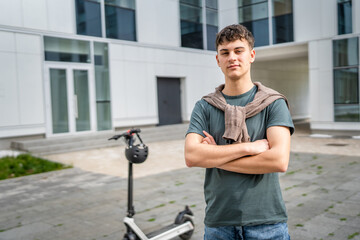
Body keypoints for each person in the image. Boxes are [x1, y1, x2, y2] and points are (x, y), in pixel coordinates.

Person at [184, 24, 294, 239]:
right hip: (219, 222)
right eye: (224, 53)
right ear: (218, 60)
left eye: (238, 50)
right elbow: (191, 156)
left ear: (251, 55)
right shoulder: (205, 106)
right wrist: (248, 147)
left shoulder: (273, 103)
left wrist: (214, 157)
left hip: (267, 222)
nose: (231, 57)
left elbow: (278, 161)